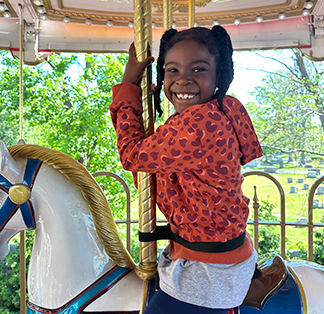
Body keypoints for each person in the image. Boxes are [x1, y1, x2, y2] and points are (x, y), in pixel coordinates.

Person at [109, 26, 263, 314]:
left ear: (219, 75)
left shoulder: (199, 126)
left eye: (198, 70)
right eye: (172, 70)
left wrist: (128, 86)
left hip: (207, 272)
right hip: (214, 251)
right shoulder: (222, 109)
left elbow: (132, 154)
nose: (183, 80)